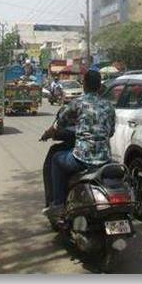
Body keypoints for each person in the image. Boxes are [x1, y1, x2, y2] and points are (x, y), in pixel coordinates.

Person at [40, 70, 116, 219]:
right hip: (105, 159)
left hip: (82, 159)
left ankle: (59, 204)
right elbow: (111, 131)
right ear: (100, 86)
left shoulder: (78, 103)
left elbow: (60, 122)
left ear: (85, 85)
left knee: (56, 158)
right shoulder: (109, 106)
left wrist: (47, 134)